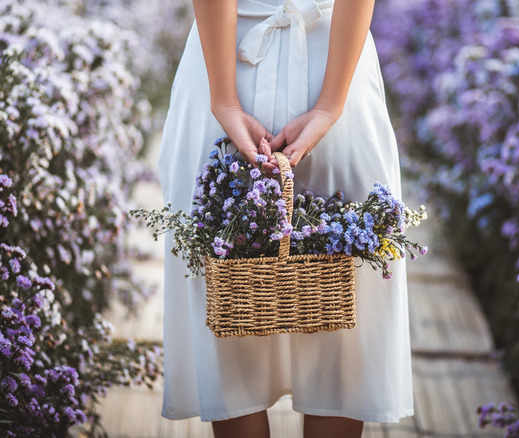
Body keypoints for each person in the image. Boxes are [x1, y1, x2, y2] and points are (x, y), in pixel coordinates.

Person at [156, 1, 412, 437]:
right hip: (337, 64)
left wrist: (224, 99)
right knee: (345, 316)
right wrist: (331, 104)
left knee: (226, 307)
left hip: (226, 59)